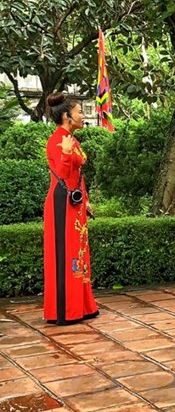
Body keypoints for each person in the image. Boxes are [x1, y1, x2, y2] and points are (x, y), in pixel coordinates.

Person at [43, 92, 99, 325]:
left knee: (79, 253)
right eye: (79, 112)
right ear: (67, 116)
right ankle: (64, 311)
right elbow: (64, 175)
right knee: (65, 255)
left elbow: (78, 176)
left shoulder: (72, 139)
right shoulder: (58, 140)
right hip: (61, 203)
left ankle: (83, 306)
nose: (83, 116)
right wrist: (66, 153)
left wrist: (84, 199)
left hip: (74, 203)